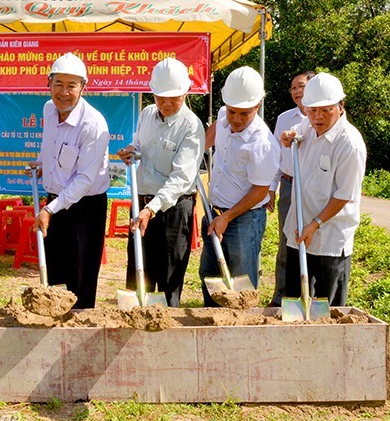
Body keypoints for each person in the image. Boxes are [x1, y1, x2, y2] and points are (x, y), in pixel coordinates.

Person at [117, 58, 205, 306]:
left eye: (173, 99)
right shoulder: (147, 114)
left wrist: (151, 208)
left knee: (169, 277)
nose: (166, 104)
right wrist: (132, 150)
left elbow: (181, 178)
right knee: (138, 272)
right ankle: (133, 327)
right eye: (160, 97)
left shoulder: (191, 126)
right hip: (142, 205)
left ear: (185, 93)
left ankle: (166, 333)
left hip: (172, 210)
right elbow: (140, 141)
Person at [30, 52, 110, 309]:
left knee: (81, 274)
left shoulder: (93, 125)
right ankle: (55, 322)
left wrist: (49, 209)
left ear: (83, 88)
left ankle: (81, 325)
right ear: (49, 84)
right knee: (56, 270)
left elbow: (85, 179)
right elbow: (50, 144)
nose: (63, 93)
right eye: (58, 84)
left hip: (85, 207)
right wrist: (43, 164)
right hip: (56, 203)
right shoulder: (48, 109)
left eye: (71, 86)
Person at [281, 72, 366, 306]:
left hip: (330, 237)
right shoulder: (307, 127)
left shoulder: (350, 144)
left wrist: (315, 224)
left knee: (328, 306)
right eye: (312, 110)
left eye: (326, 110)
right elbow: (294, 134)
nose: (318, 117)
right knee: (294, 300)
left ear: (340, 106)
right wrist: (289, 137)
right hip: (300, 231)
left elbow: (344, 196)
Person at [198, 66, 280, 306]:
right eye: (233, 111)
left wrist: (228, 217)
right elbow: (211, 134)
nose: (235, 119)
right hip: (215, 211)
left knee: (241, 279)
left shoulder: (262, 143)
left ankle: (242, 330)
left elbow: (260, 191)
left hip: (244, 219)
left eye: (244, 114)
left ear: (257, 106)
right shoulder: (225, 113)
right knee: (210, 273)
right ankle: (211, 321)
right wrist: (194, 151)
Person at [267, 71, 316, 307]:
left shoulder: (322, 117)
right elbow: (277, 155)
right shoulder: (284, 118)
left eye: (302, 86)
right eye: (293, 88)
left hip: (313, 187)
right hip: (288, 184)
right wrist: (271, 187)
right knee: (287, 241)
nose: (297, 91)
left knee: (314, 240)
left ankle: (310, 295)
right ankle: (281, 297)